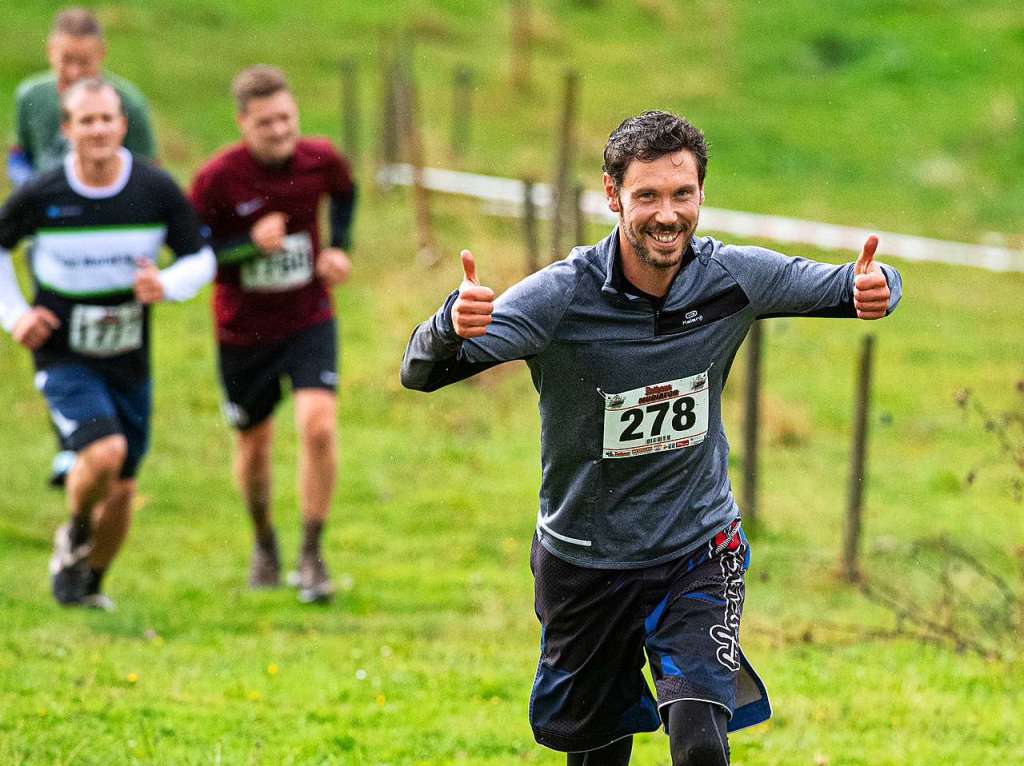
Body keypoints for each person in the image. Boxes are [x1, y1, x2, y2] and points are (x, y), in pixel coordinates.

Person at [401, 110, 902, 765]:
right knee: (600, 756)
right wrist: (448, 322)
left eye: (682, 194)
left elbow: (856, 284)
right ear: (612, 197)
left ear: (700, 194)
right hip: (586, 563)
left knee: (699, 742)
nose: (667, 215)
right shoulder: (560, 298)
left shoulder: (732, 280)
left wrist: (880, 287)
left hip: (698, 550)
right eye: (648, 196)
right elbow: (420, 371)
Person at [0, 78, 214, 610]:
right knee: (105, 452)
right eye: (86, 120)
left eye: (107, 119)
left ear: (123, 125)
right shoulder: (43, 193)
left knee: (121, 488)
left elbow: (199, 256)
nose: (98, 129)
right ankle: (74, 530)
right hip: (62, 350)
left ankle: (86, 583)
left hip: (128, 355)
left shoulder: (154, 189)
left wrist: (166, 285)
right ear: (67, 129)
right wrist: (16, 315)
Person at [190, 65, 356, 604]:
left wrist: (338, 247)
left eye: (287, 118)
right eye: (267, 123)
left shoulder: (319, 158)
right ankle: (264, 541)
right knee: (254, 444)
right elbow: (193, 255)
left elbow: (345, 190)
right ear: (243, 123)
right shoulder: (217, 179)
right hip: (243, 331)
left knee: (318, 428)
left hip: (308, 317)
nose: (281, 131)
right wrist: (244, 246)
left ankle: (312, 554)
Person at [9, 6, 158, 488]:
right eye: (64, 62)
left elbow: (149, 172)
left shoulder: (126, 103)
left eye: (84, 63)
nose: (73, 73)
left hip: (114, 241)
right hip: (51, 237)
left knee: (110, 336)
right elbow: (25, 155)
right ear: (50, 53)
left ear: (102, 57)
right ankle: (72, 442)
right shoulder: (31, 97)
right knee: (52, 332)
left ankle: (114, 430)